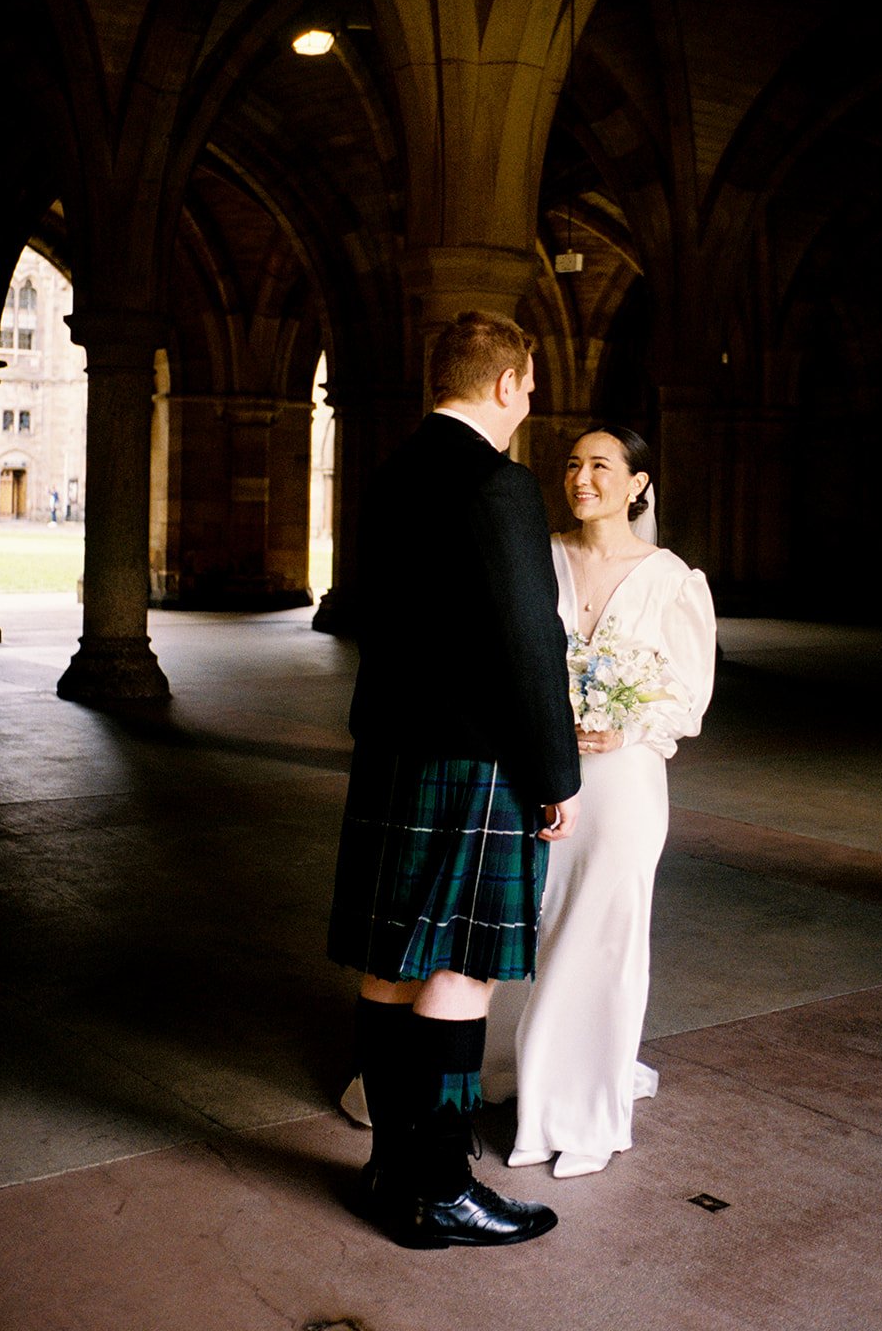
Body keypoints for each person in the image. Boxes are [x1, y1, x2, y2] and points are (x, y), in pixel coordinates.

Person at [327, 309, 581, 1249]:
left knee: (391, 969)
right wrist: (555, 771)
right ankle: (439, 1190)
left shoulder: (391, 473)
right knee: (461, 971)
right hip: (474, 760)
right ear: (513, 383)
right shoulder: (497, 484)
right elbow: (526, 639)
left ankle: (393, 1171)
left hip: (394, 750)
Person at [489, 423, 716, 1178]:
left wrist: (620, 726)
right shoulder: (538, 560)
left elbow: (686, 697)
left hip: (622, 785)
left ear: (637, 484)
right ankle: (502, 1067)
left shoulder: (671, 579)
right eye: (572, 465)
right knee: (524, 921)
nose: (581, 478)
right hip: (534, 774)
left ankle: (580, 1107)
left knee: (604, 939)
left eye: (600, 466)